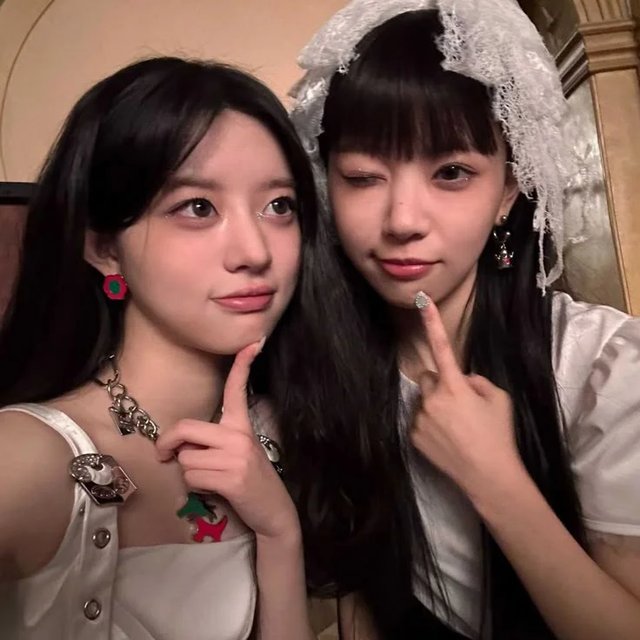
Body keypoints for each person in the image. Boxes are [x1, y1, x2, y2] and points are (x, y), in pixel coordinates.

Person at [285, 1, 640, 638]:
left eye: (451, 173)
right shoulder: (322, 369)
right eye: (363, 176)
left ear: (508, 190)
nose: (403, 220)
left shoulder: (601, 369)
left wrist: (494, 479)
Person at [0, 56, 318, 640]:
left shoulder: (295, 428)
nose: (255, 252)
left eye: (279, 205)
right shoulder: (25, 456)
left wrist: (280, 534)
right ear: (105, 249)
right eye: (198, 208)